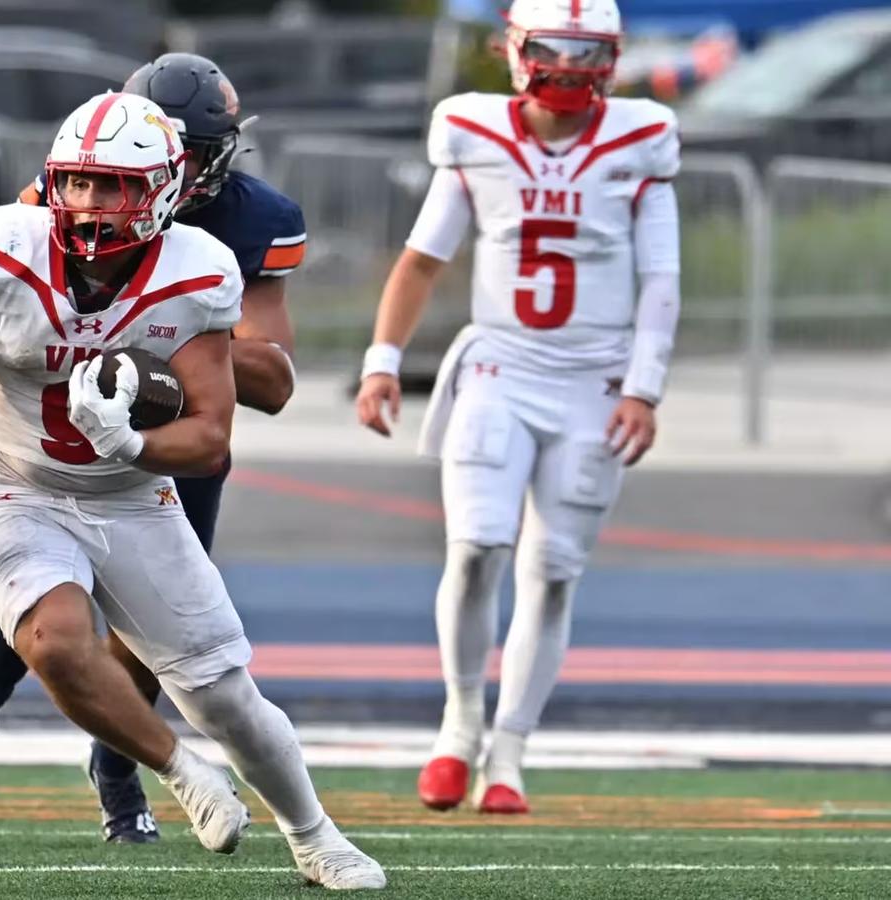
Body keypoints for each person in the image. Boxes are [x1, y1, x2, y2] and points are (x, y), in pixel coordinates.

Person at [0, 92, 382, 890]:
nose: (89, 204)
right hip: (18, 486)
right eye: (78, 183)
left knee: (225, 696)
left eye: (113, 185)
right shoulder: (6, 249)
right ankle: (180, 770)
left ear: (161, 189)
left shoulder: (195, 271)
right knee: (51, 638)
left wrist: (131, 442)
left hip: (131, 496)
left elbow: (212, 436)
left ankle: (316, 836)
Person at [354, 0, 681, 814]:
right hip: (501, 367)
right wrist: (380, 362)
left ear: (611, 58)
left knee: (554, 573)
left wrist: (644, 385)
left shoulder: (639, 141)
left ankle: (510, 751)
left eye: (587, 51)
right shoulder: (476, 136)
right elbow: (422, 261)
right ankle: (459, 726)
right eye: (554, 48)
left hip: (596, 381)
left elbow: (662, 281)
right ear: (515, 50)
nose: (568, 66)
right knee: (475, 549)